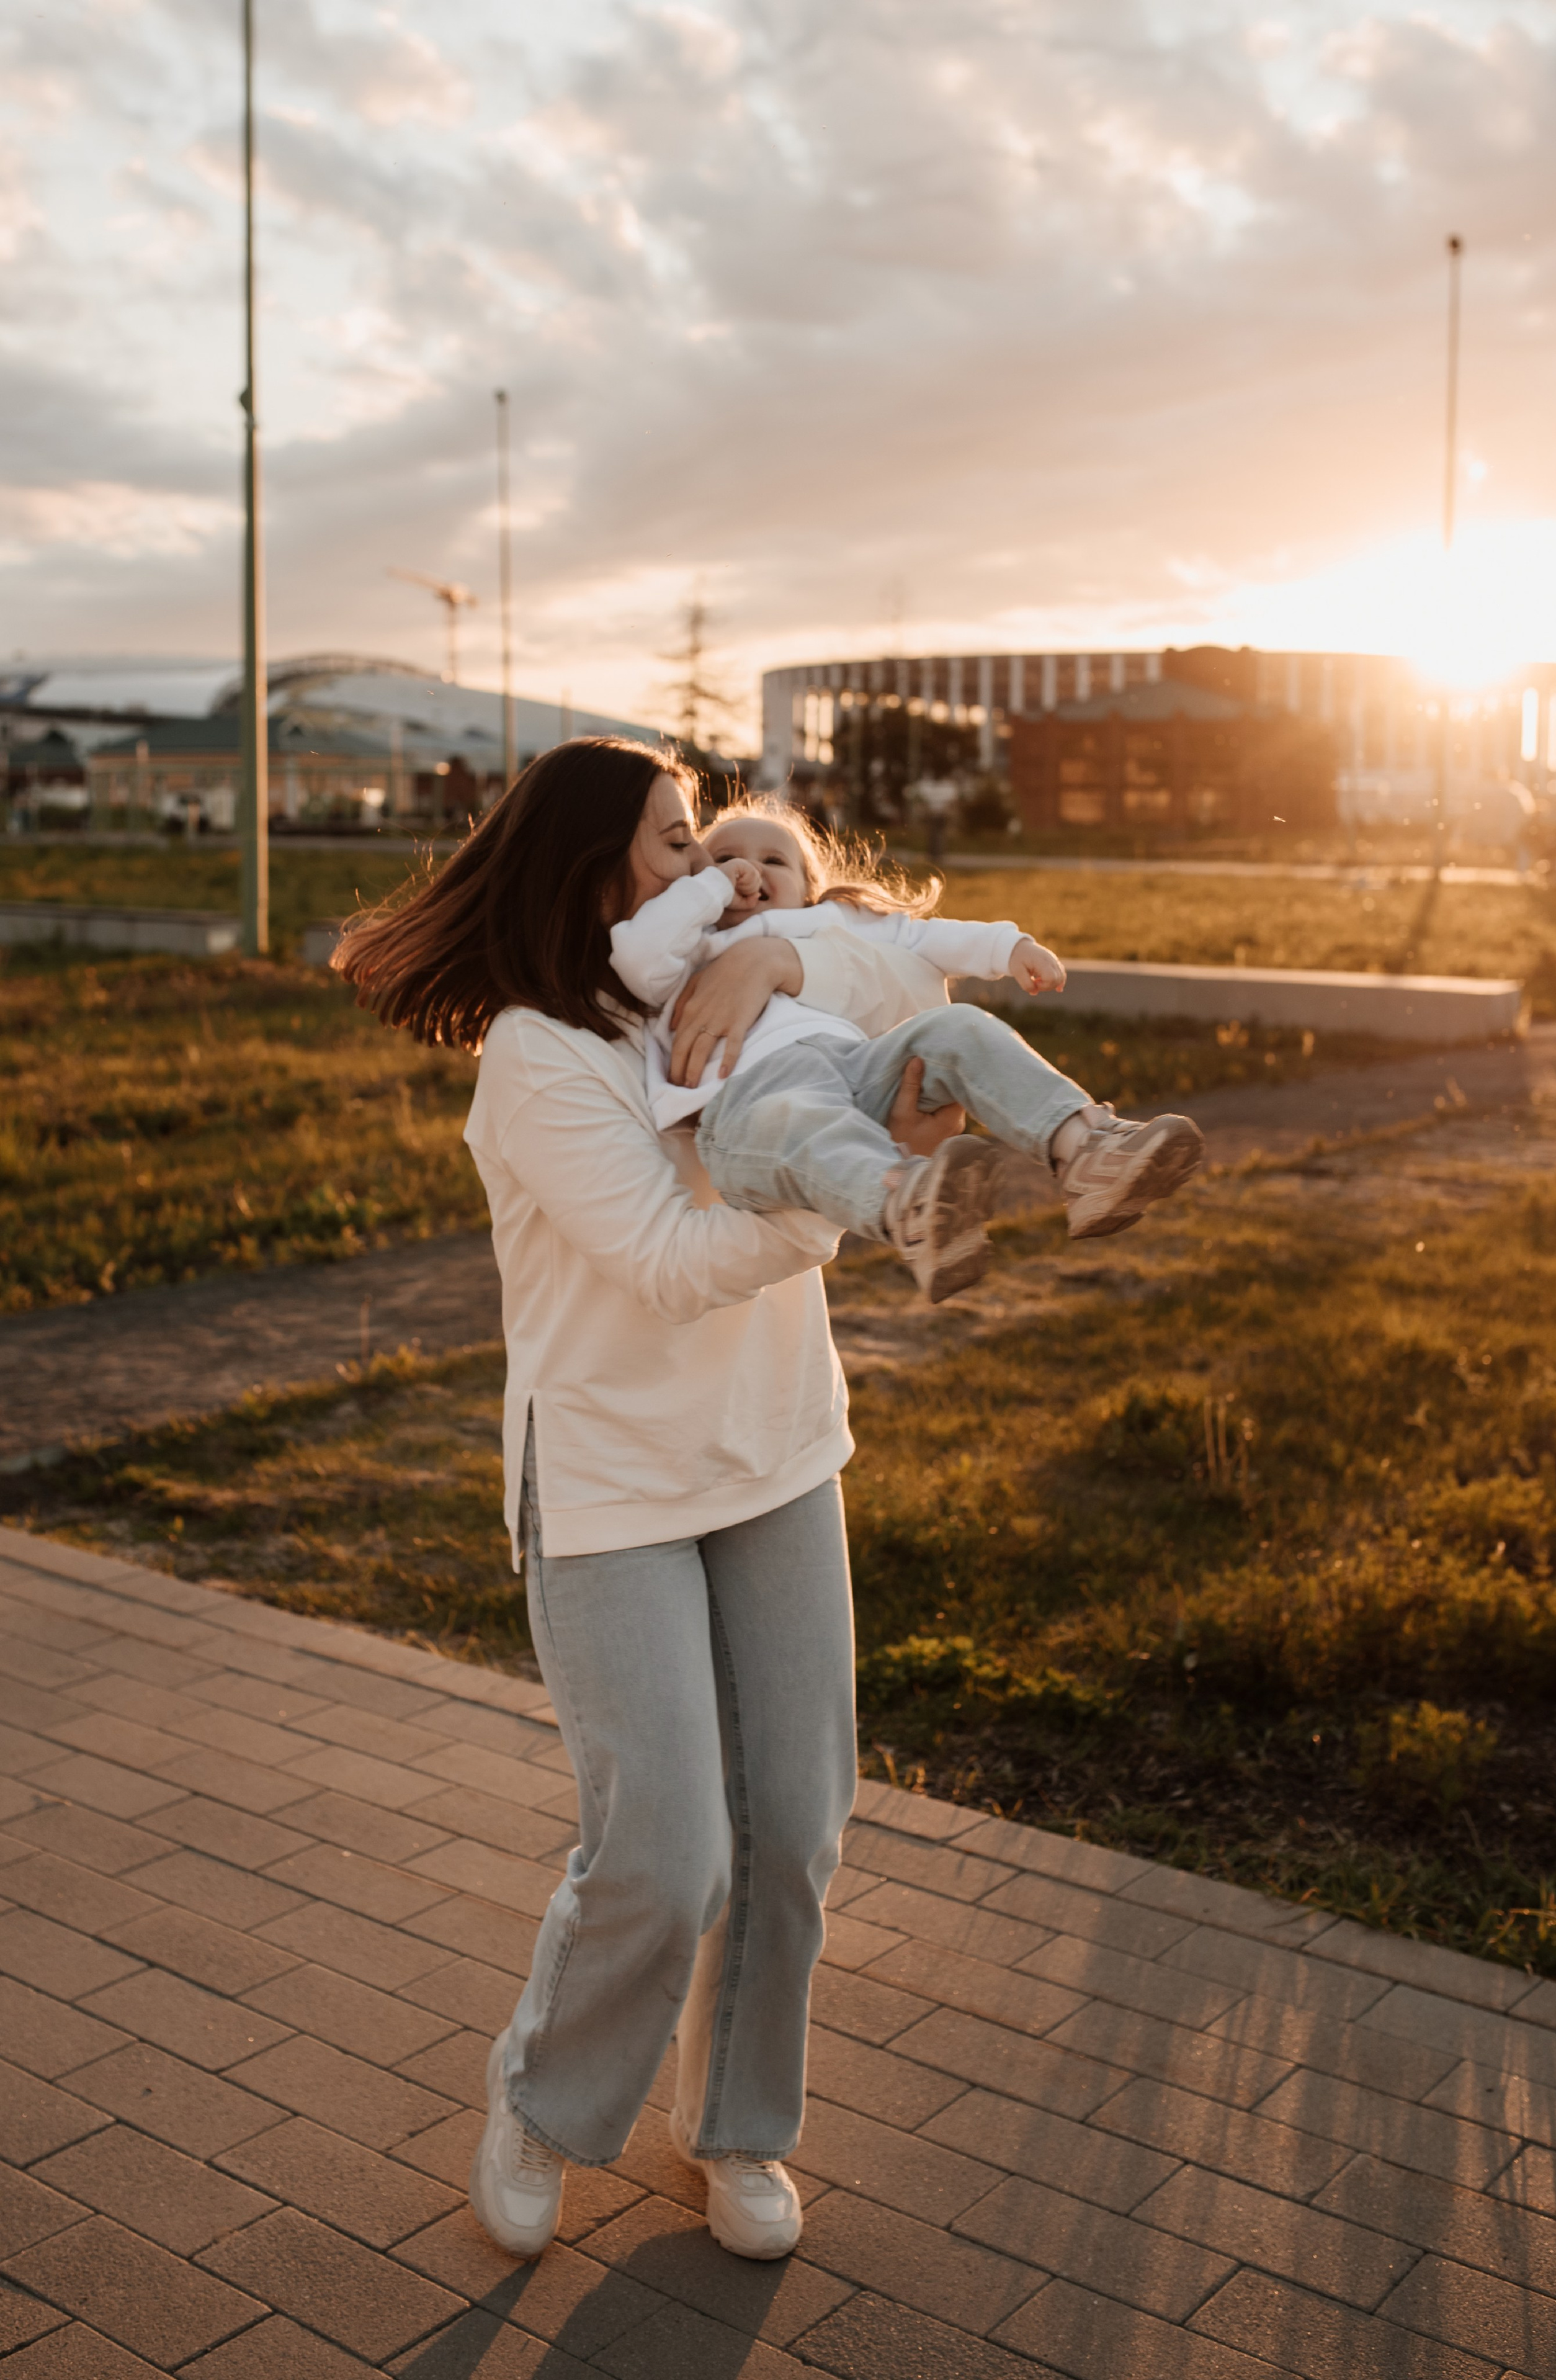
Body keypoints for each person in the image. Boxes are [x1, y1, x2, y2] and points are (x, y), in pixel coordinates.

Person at [333, 737, 961, 2265]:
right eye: (678, 845)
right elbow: (676, 1267)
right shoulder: (540, 1056)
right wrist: (842, 1195)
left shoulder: (742, 974)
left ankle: (735, 2129)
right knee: (667, 1848)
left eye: (710, 846)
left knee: (795, 1826)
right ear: (594, 871)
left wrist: (790, 950)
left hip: (775, 1452)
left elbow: (910, 980)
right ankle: (544, 2103)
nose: (711, 871)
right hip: (609, 1476)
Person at [609, 795, 1205, 1302]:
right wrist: (710, 888)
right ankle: (912, 1207)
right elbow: (635, 955)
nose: (747, 870)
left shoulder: (826, 924)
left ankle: (1085, 1148)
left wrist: (1008, 947)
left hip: (855, 1071)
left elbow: (922, 938)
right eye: (725, 858)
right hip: (747, 1109)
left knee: (958, 1029)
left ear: (809, 891)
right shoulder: (687, 947)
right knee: (800, 1121)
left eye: (772, 861)